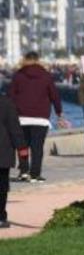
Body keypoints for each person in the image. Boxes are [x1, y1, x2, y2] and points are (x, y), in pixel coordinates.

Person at [9, 51, 64, 183]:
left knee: (23, 146)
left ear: (24, 60)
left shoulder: (18, 75)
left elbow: (10, 96)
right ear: (38, 60)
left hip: (21, 117)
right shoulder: (46, 76)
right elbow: (54, 96)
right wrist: (59, 113)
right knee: (37, 147)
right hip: (40, 118)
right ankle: (35, 174)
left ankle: (24, 171)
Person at [0, 94, 26, 228]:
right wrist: (22, 150)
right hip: (2, 152)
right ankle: (1, 217)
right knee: (2, 187)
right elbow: (15, 129)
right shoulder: (6, 103)